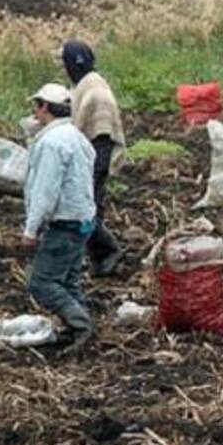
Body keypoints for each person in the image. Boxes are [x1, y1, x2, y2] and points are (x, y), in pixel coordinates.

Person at [22, 83, 97, 347]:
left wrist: (31, 230)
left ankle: (81, 325)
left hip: (65, 222)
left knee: (42, 284)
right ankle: (78, 327)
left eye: (37, 106)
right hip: (83, 219)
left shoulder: (52, 142)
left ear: (44, 107)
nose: (35, 112)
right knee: (68, 281)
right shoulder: (76, 136)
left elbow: (45, 189)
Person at [62, 40, 126, 276]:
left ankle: (110, 251)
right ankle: (99, 261)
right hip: (92, 154)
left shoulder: (95, 92)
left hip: (97, 156)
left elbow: (100, 130)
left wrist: (93, 167)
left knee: (87, 212)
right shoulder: (87, 86)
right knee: (89, 210)